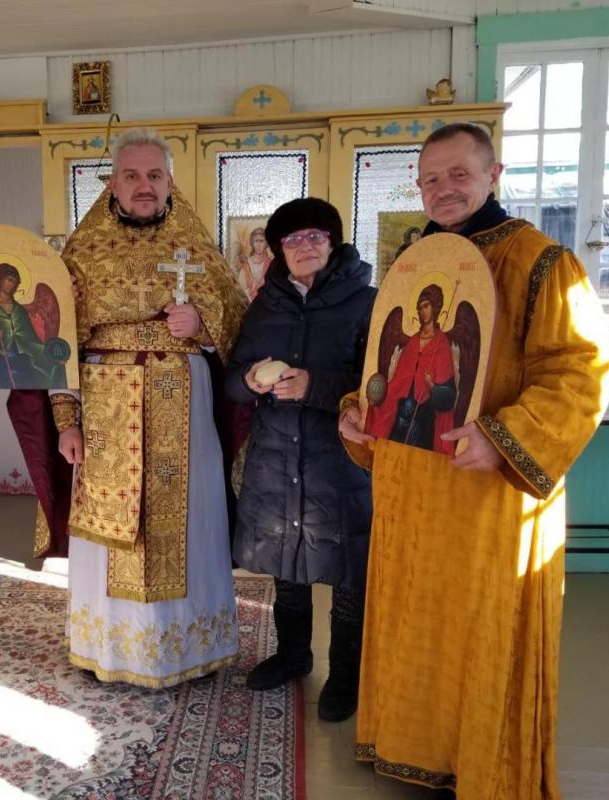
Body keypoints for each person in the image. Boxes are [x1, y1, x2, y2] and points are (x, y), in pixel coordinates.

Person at [339, 123, 609, 798]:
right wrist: (357, 410)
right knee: (413, 617)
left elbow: (581, 372)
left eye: (458, 174)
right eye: (430, 177)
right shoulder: (416, 261)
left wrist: (501, 436)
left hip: (486, 491)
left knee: (479, 626)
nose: (443, 188)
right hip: (410, 489)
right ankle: (412, 745)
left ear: (493, 175)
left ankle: (484, 765)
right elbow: (385, 363)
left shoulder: (540, 262)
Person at [22, 127, 246, 688]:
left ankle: (185, 649)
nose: (143, 186)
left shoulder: (198, 247)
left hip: (183, 406)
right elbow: (59, 344)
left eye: (153, 175)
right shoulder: (81, 252)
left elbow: (238, 320)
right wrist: (65, 423)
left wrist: (203, 326)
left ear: (170, 181)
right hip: (104, 410)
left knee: (186, 522)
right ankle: (113, 650)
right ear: (113, 183)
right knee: (108, 532)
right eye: (131, 176)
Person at [226, 198, 375, 722]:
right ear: (279, 251)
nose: (305, 246)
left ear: (333, 242)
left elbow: (383, 387)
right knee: (286, 568)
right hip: (276, 459)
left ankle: (345, 676)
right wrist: (246, 382)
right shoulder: (263, 305)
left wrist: (316, 387)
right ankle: (293, 656)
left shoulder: (368, 303)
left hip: (340, 462)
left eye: (315, 236)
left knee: (347, 573)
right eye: (293, 239)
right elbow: (232, 378)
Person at [365, 283, 457, 455]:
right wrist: (379, 396)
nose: (422, 311)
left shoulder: (441, 343)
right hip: (403, 408)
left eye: (426, 306)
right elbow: (399, 380)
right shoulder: (413, 342)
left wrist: (433, 387)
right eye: (419, 307)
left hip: (425, 411)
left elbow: (449, 393)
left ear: (436, 307)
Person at [0, 262, 66, 389]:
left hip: (21, 367)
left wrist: (53, 358)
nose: (13, 284)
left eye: (15, 282)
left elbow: (32, 342)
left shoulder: (20, 311)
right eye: (9, 280)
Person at [236, 226, 272, 301]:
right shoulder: (246, 265)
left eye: (261, 241)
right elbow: (240, 289)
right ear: (252, 243)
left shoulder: (270, 264)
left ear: (266, 244)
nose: (259, 245)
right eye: (256, 241)